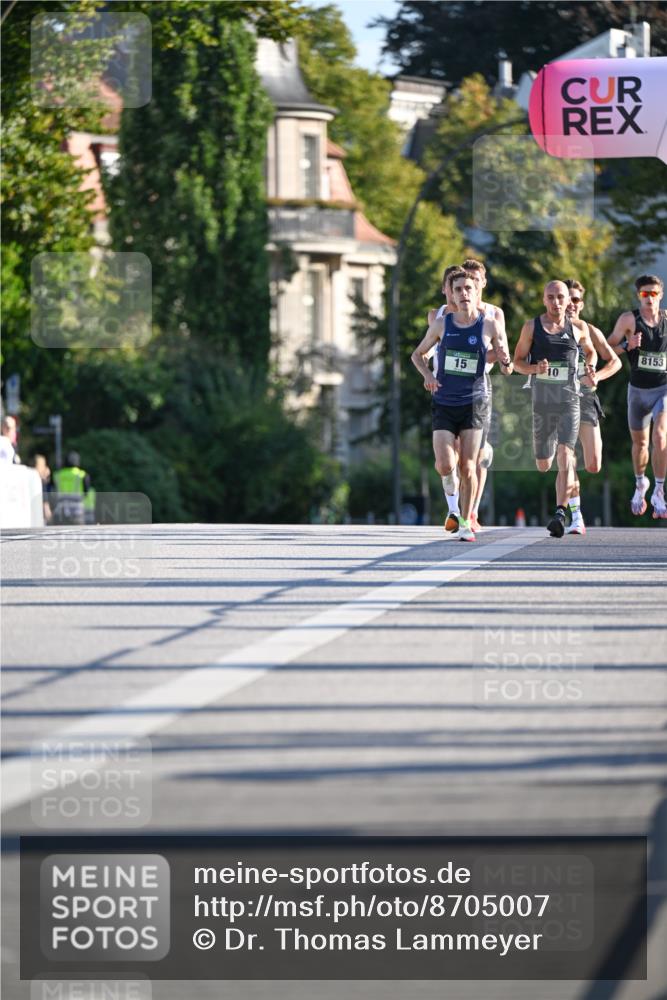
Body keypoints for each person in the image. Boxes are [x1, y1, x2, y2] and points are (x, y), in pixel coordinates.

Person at [411, 267, 512, 541]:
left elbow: (507, 368)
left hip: (474, 401)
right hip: (444, 400)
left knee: (468, 466)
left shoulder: (490, 324)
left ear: (477, 291)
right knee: (445, 464)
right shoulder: (443, 323)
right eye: (458, 289)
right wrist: (428, 375)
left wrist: (504, 359)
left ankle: (466, 522)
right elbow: (417, 355)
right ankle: (453, 504)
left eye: (469, 288)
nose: (464, 293)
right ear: (451, 294)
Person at [513, 280, 596, 538]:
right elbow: (517, 362)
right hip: (542, 402)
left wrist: (589, 370)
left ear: (568, 301)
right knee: (543, 463)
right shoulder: (532, 327)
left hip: (570, 400)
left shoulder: (579, 328)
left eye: (561, 297)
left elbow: (591, 353)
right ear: (543, 299)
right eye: (551, 297)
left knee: (566, 454)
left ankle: (560, 512)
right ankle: (561, 505)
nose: (557, 302)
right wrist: (535, 369)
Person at [564, 279, 622, 534]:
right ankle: (576, 515)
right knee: (567, 458)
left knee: (593, 464)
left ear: (582, 303)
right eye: (567, 299)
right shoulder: (548, 329)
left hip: (586, 397)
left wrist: (597, 376)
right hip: (559, 400)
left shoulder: (589, 330)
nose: (571, 304)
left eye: (576, 299)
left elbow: (615, 361)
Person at [608, 274, 667, 519]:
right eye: (645, 294)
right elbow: (606, 348)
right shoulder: (628, 319)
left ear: (660, 295)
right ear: (638, 296)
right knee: (640, 444)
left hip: (663, 389)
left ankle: (660, 490)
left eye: (654, 294)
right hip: (638, 391)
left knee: (660, 436)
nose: (650, 298)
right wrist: (626, 345)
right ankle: (641, 483)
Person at [52, 451, 92, 526]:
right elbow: (86, 492)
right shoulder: (82, 475)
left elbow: (53, 491)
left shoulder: (57, 475)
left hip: (61, 510)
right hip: (77, 511)